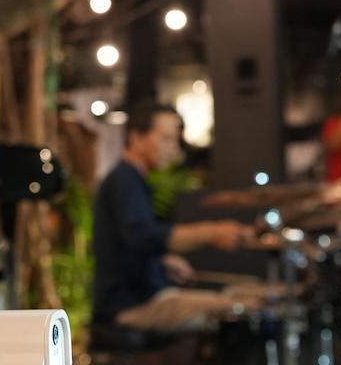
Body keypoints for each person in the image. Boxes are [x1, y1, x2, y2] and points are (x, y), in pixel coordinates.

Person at [94, 103, 257, 332]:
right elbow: (141, 235)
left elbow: (129, 244)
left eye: (175, 141)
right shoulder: (124, 180)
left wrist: (163, 260)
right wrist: (212, 232)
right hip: (132, 305)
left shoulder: (132, 180)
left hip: (146, 298)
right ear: (136, 138)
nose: (173, 149)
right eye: (166, 139)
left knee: (239, 299)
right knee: (240, 309)